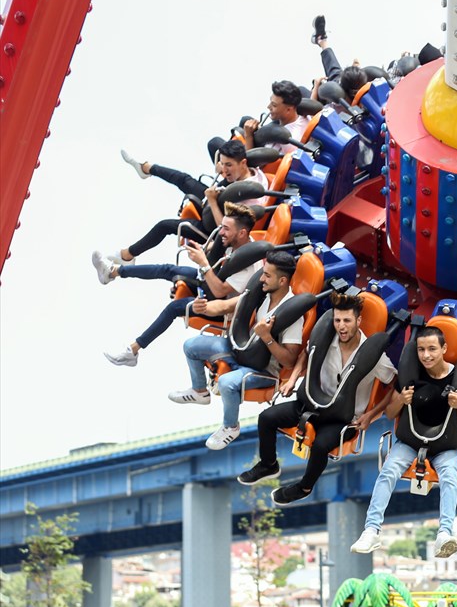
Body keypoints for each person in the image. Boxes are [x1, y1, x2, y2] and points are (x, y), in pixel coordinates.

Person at [236, 293, 397, 506]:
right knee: (266, 418)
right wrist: (292, 379)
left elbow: (394, 383)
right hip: (312, 403)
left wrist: (372, 414)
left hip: (344, 417)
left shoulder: (372, 354)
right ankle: (268, 465)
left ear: (358, 321)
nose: (341, 326)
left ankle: (304, 487)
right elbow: (307, 354)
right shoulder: (327, 338)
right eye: (337, 320)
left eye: (347, 321)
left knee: (321, 445)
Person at [349, 327, 457, 558]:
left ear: (444, 349)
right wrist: (402, 401)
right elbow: (390, 413)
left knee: (449, 476)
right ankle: (371, 530)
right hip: (410, 441)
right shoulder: (411, 374)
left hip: (445, 445)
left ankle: (444, 533)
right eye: (422, 350)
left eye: (432, 349)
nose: (426, 355)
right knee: (388, 471)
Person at [92, 203, 262, 366]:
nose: (221, 232)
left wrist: (204, 264)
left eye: (226, 229)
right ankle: (113, 271)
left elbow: (219, 292)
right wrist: (203, 250)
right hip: (212, 282)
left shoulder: (249, 264)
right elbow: (217, 256)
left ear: (242, 233)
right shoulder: (238, 241)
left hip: (221, 308)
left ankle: (132, 351)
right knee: (168, 269)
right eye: (221, 227)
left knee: (174, 308)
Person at [169, 251, 305, 450]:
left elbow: (290, 361)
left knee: (226, 382)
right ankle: (200, 391)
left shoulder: (292, 313)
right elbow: (227, 305)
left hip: (263, 369)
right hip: (242, 350)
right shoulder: (264, 295)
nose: (261, 279)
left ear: (282, 280)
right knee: (191, 346)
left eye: (267, 275)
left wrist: (267, 338)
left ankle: (230, 427)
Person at [109, 140, 268, 264]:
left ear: (243, 163)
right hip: (218, 203)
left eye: (229, 165)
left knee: (164, 225)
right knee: (184, 180)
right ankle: (145, 168)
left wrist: (212, 201)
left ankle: (127, 256)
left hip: (214, 228)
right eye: (222, 164)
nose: (224, 170)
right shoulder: (251, 172)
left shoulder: (249, 196)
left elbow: (227, 230)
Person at [243, 80, 310, 155]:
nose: (268, 107)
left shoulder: (290, 140)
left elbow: (250, 164)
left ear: (288, 109)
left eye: (274, 105)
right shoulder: (303, 118)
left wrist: (248, 136)